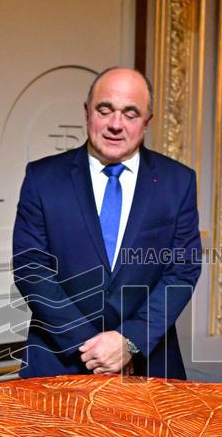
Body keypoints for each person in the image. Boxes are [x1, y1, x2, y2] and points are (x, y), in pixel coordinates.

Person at [12, 67, 201, 379]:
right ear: (87, 113)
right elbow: (31, 267)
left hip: (149, 360)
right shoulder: (42, 178)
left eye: (130, 113)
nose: (116, 124)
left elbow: (182, 270)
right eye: (105, 110)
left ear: (147, 122)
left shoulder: (177, 182)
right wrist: (90, 345)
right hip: (60, 359)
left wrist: (129, 340)